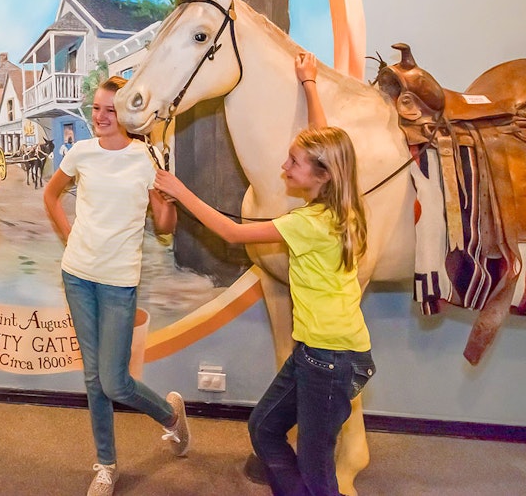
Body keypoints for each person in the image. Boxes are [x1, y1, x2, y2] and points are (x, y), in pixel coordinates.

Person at [153, 52, 376, 496]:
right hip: (318, 352)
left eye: (292, 163)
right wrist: (309, 84)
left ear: (319, 176)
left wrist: (180, 191)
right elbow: (324, 144)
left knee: (317, 469)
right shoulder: (346, 202)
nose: (283, 167)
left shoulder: (308, 224)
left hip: (329, 360)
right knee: (265, 429)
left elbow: (234, 232)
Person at [43, 76, 186, 496]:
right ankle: (106, 464)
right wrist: (71, 237)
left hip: (119, 281)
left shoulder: (146, 158)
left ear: (126, 114)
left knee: (115, 382)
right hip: (77, 275)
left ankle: (171, 416)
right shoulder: (81, 153)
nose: (101, 117)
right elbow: (51, 197)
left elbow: (164, 226)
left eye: (111, 110)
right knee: (93, 379)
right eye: (96, 109)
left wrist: (168, 202)